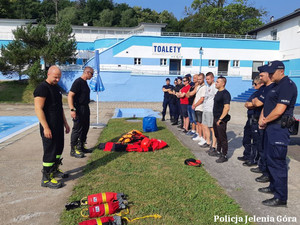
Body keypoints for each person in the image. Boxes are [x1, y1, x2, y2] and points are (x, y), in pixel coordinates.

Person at [258, 61, 297, 207]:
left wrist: (265, 120)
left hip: (279, 129)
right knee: (269, 159)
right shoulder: (275, 85)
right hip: (270, 127)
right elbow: (267, 105)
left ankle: (281, 197)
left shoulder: (287, 85)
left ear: (281, 71)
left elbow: (280, 110)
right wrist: (263, 118)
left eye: (272, 72)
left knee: (277, 162)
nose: (270, 74)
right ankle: (273, 187)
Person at [34, 65, 70, 189]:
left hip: (58, 124)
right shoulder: (42, 88)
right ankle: (46, 178)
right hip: (48, 126)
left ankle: (54, 170)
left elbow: (59, 108)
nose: (57, 80)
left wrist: (65, 123)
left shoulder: (56, 88)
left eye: (59, 77)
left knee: (58, 149)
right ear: (48, 74)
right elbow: (38, 109)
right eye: (55, 77)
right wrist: (46, 127)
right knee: (50, 151)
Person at [251, 67, 277, 183]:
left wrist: (255, 102)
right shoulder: (266, 89)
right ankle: (263, 168)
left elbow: (257, 103)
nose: (260, 78)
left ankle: (267, 173)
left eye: (262, 76)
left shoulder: (273, 88)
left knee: (266, 150)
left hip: (269, 124)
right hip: (262, 121)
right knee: (261, 147)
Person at [68, 66, 94, 158]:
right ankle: (73, 149)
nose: (92, 76)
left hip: (85, 108)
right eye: (92, 74)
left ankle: (81, 146)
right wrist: (72, 109)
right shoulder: (78, 82)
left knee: (85, 127)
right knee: (77, 129)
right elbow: (70, 95)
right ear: (87, 72)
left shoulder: (85, 82)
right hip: (78, 108)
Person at [237, 76, 263, 167]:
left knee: (255, 141)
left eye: (255, 84)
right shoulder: (255, 93)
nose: (253, 85)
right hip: (250, 118)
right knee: (246, 138)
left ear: (261, 83)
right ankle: (247, 155)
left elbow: (258, 104)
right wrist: (252, 104)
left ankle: (253, 159)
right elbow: (247, 104)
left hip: (256, 118)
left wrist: (253, 104)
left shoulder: (263, 93)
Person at [209, 76, 231, 163]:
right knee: (217, 135)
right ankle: (218, 151)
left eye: (218, 82)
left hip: (221, 119)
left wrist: (221, 119)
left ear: (223, 83)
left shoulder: (225, 93)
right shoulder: (218, 92)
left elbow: (227, 108)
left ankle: (224, 154)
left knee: (223, 137)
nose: (216, 83)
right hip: (216, 117)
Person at [202, 72, 218, 153]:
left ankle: (213, 145)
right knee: (205, 126)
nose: (207, 81)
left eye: (208, 79)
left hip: (211, 110)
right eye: (206, 79)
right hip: (205, 108)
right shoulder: (208, 87)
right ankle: (208, 142)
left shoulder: (215, 87)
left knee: (212, 128)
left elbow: (217, 98)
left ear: (212, 78)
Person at [191, 73, 207, 145]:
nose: (199, 81)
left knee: (201, 123)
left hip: (200, 108)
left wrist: (195, 105)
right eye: (198, 79)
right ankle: (199, 135)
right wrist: (193, 104)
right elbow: (196, 97)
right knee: (197, 122)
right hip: (196, 107)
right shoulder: (198, 87)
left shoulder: (204, 87)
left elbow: (202, 99)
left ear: (203, 79)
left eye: (200, 79)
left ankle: (203, 137)